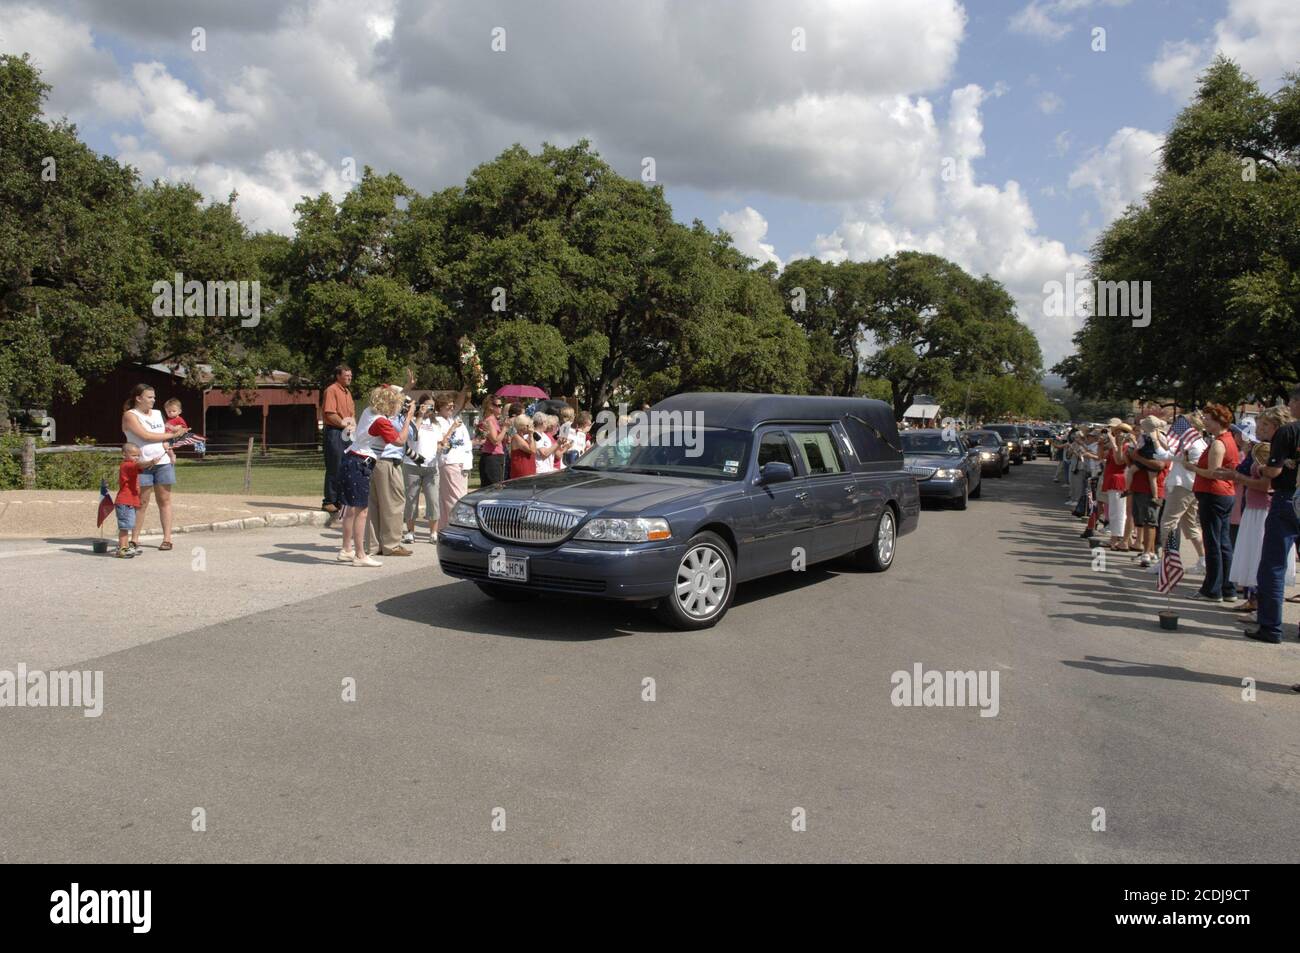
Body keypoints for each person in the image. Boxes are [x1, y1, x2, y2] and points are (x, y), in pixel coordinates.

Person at [1243, 394, 1300, 643]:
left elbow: (1274, 471)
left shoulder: (1288, 431)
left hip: (1287, 498)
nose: (1290, 405)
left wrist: (1261, 467)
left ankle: (1270, 626)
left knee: (1273, 565)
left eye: (1293, 401)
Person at [121, 384, 187, 552]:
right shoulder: (130, 415)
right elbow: (146, 436)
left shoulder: (157, 413)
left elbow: (165, 433)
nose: (153, 400)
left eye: (154, 397)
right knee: (141, 502)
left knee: (164, 500)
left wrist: (177, 432)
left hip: (162, 462)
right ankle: (134, 539)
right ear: (138, 398)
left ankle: (167, 539)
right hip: (142, 464)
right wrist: (173, 434)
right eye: (149, 397)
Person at [1186, 403, 1239, 602]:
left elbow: (1213, 472)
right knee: (1223, 542)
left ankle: (1212, 589)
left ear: (1218, 421)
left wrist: (1192, 467)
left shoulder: (1219, 443)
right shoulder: (1227, 439)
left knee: (1213, 542)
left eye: (1208, 419)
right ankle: (1227, 588)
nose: (1205, 422)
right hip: (1223, 494)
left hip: (1214, 494)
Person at [360, 387, 414, 558]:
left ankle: (373, 545)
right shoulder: (381, 420)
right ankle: (391, 544)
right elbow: (400, 440)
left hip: (368, 461)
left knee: (373, 505)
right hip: (385, 462)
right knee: (394, 502)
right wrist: (408, 418)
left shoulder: (368, 412)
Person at [1154, 412, 1207, 574]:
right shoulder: (1197, 444)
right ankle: (1203, 561)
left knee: (1168, 523)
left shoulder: (1193, 445)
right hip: (1188, 487)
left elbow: (1164, 455)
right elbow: (1167, 452)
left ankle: (1167, 563)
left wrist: (1154, 437)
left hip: (1182, 487)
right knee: (1190, 526)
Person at [1130, 416, 1170, 567]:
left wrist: (1139, 458)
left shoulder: (1160, 442)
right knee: (1142, 521)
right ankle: (1150, 551)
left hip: (1151, 489)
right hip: (1139, 487)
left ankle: (1148, 552)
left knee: (1149, 522)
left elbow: (1160, 464)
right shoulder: (1144, 439)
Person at [403, 395, 441, 545]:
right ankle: (410, 532)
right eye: (427, 405)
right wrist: (419, 415)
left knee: (433, 500)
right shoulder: (412, 419)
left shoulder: (436, 424)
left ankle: (433, 533)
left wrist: (442, 447)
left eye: (432, 406)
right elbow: (412, 435)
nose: (430, 409)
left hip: (431, 467)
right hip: (412, 465)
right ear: (421, 405)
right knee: (411, 499)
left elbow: (439, 443)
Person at [321, 365, 355, 517]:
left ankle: (340, 500)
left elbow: (352, 414)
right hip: (334, 432)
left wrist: (352, 426)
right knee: (334, 465)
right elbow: (330, 413)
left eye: (350, 375)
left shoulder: (348, 392)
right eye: (346, 375)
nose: (349, 378)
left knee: (346, 466)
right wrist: (344, 424)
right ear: (338, 376)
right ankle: (329, 501)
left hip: (347, 432)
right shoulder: (331, 390)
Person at [436, 397, 473, 533]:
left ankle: (446, 527)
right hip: (449, 462)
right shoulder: (437, 422)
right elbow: (442, 443)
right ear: (440, 407)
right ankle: (457, 527)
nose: (452, 408)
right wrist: (452, 428)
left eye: (453, 406)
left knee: (455, 496)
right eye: (448, 406)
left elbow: (465, 443)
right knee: (455, 498)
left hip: (461, 462)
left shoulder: (456, 421)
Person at [113, 444, 155, 559]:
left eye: (138, 455)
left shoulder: (132, 465)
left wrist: (150, 464)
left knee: (128, 525)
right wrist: (151, 461)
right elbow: (139, 465)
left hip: (130, 502)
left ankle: (125, 547)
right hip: (124, 502)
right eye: (133, 455)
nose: (136, 457)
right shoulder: (126, 465)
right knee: (124, 527)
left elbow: (140, 467)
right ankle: (122, 549)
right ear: (124, 455)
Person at [1099, 420, 1133, 551]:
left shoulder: (1126, 447)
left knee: (1118, 512)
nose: (1117, 435)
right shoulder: (1118, 446)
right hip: (1112, 479)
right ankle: (1117, 537)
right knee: (1115, 511)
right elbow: (1101, 457)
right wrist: (1101, 444)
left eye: (1120, 432)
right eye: (1116, 432)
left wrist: (1114, 444)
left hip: (1119, 480)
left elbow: (1120, 462)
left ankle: (1116, 538)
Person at [475, 396, 507, 487]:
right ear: (491, 406)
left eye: (501, 405)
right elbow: (495, 441)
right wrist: (505, 429)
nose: (501, 407)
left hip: (496, 456)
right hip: (492, 457)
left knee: (497, 486)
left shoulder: (494, 420)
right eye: (498, 405)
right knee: (494, 488)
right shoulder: (489, 421)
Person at [508, 414, 536, 479]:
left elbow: (534, 449)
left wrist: (531, 436)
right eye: (528, 425)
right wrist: (531, 435)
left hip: (529, 470)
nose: (530, 427)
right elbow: (532, 450)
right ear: (522, 426)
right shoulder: (516, 438)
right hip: (522, 473)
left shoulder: (524, 439)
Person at [162, 399, 188, 465]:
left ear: (179, 411)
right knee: (163, 445)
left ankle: (172, 456)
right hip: (168, 436)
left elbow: (181, 428)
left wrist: (171, 427)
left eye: (174, 411)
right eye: (169, 411)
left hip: (174, 437)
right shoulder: (169, 420)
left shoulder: (179, 419)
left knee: (165, 444)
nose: (171, 413)